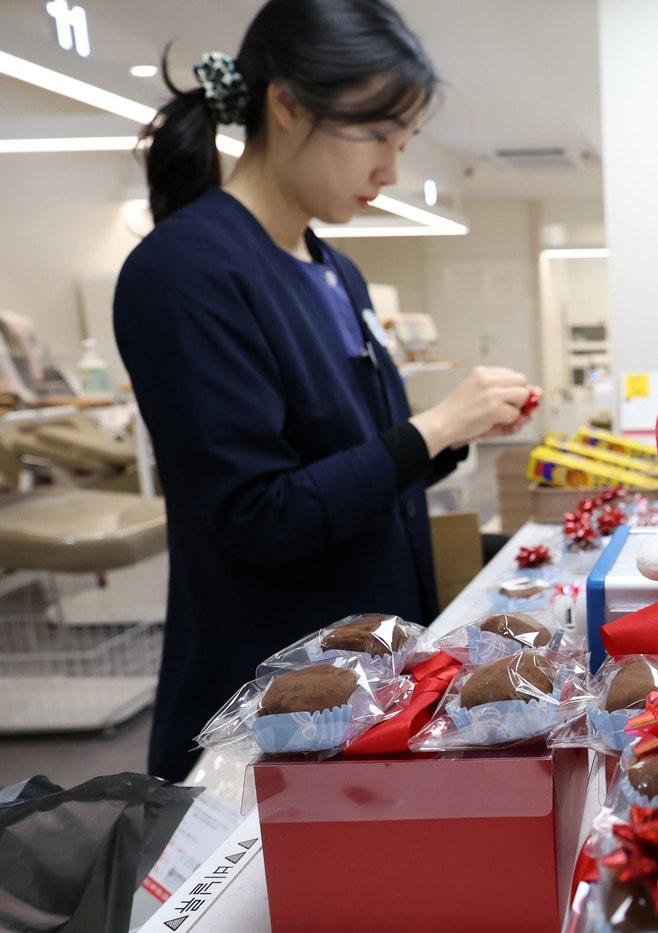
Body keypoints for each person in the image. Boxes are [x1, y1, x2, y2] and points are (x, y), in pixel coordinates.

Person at [114, 0, 536, 780]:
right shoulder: (184, 273)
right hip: (268, 707)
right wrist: (432, 428)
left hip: (371, 679)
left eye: (402, 141)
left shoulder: (333, 269)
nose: (392, 169)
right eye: (377, 136)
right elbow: (259, 513)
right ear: (287, 104)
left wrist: (456, 432)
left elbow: (355, 463)